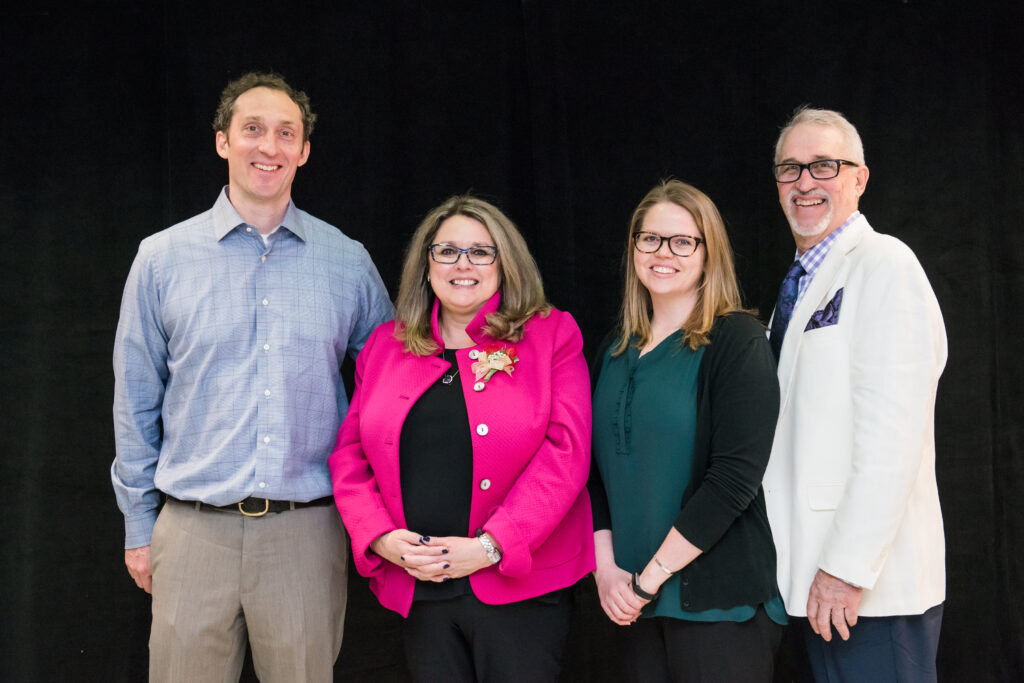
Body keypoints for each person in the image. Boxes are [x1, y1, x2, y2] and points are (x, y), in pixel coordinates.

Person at [111, 72, 393, 682]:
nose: (269, 146)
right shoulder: (160, 259)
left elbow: (390, 394)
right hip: (190, 532)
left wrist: (378, 516)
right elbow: (134, 403)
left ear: (304, 151)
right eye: (253, 130)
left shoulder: (348, 262)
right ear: (222, 141)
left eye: (286, 133)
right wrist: (140, 526)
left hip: (307, 534)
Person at [329, 194, 594, 682]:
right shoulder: (387, 346)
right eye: (447, 251)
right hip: (421, 585)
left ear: (504, 262)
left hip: (521, 588)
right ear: (426, 262)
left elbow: (568, 453)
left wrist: (492, 546)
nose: (462, 264)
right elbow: (350, 457)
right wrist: (380, 538)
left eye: (480, 251)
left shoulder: (551, 334)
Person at [763, 106, 947, 682]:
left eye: (824, 166)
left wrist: (845, 567)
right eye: (790, 169)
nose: (805, 183)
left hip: (867, 585)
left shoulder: (885, 265)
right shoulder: (798, 282)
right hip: (813, 577)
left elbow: (893, 435)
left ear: (860, 178)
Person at [589, 179, 785, 681]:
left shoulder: (736, 340)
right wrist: (607, 572)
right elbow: (594, 475)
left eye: (682, 241)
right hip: (629, 604)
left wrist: (649, 580)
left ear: (708, 252)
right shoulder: (614, 348)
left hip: (716, 606)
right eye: (649, 239)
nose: (663, 253)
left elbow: (734, 480)